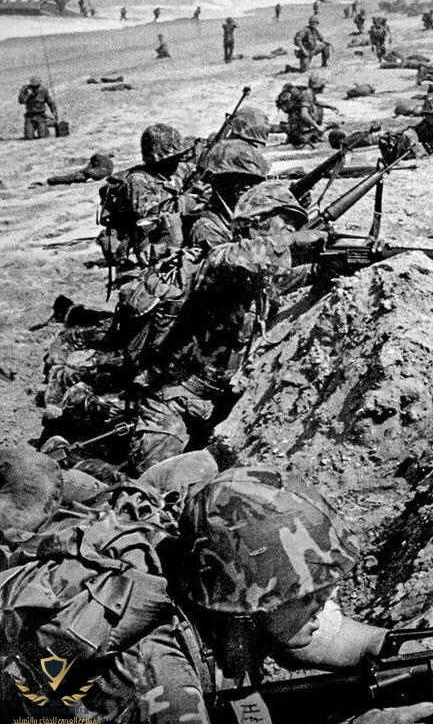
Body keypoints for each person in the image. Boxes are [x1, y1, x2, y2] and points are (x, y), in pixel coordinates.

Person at [1, 464, 433, 724]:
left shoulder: (224, 600)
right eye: (306, 594)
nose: (325, 602)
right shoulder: (161, 684)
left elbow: (336, 637)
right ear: (247, 603)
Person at [125, 144, 320, 469]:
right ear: (255, 224)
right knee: (152, 483)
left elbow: (292, 276)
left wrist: (328, 265)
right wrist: (297, 242)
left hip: (218, 402)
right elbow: (242, 258)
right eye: (284, 222)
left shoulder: (261, 276)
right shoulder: (220, 260)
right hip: (174, 397)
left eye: (294, 224)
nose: (291, 229)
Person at [96, 122, 195, 268]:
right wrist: (189, 200)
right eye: (170, 158)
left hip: (175, 233)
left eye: (177, 156)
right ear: (156, 159)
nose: (176, 161)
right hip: (148, 243)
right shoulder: (137, 182)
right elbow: (151, 221)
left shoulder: (179, 170)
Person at [46, 152, 114, 186]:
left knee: (70, 177)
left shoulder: (100, 158)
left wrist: (85, 170)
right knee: (71, 178)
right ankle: (52, 180)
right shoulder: (110, 165)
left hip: (91, 174)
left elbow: (91, 164)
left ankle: (51, 180)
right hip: (96, 175)